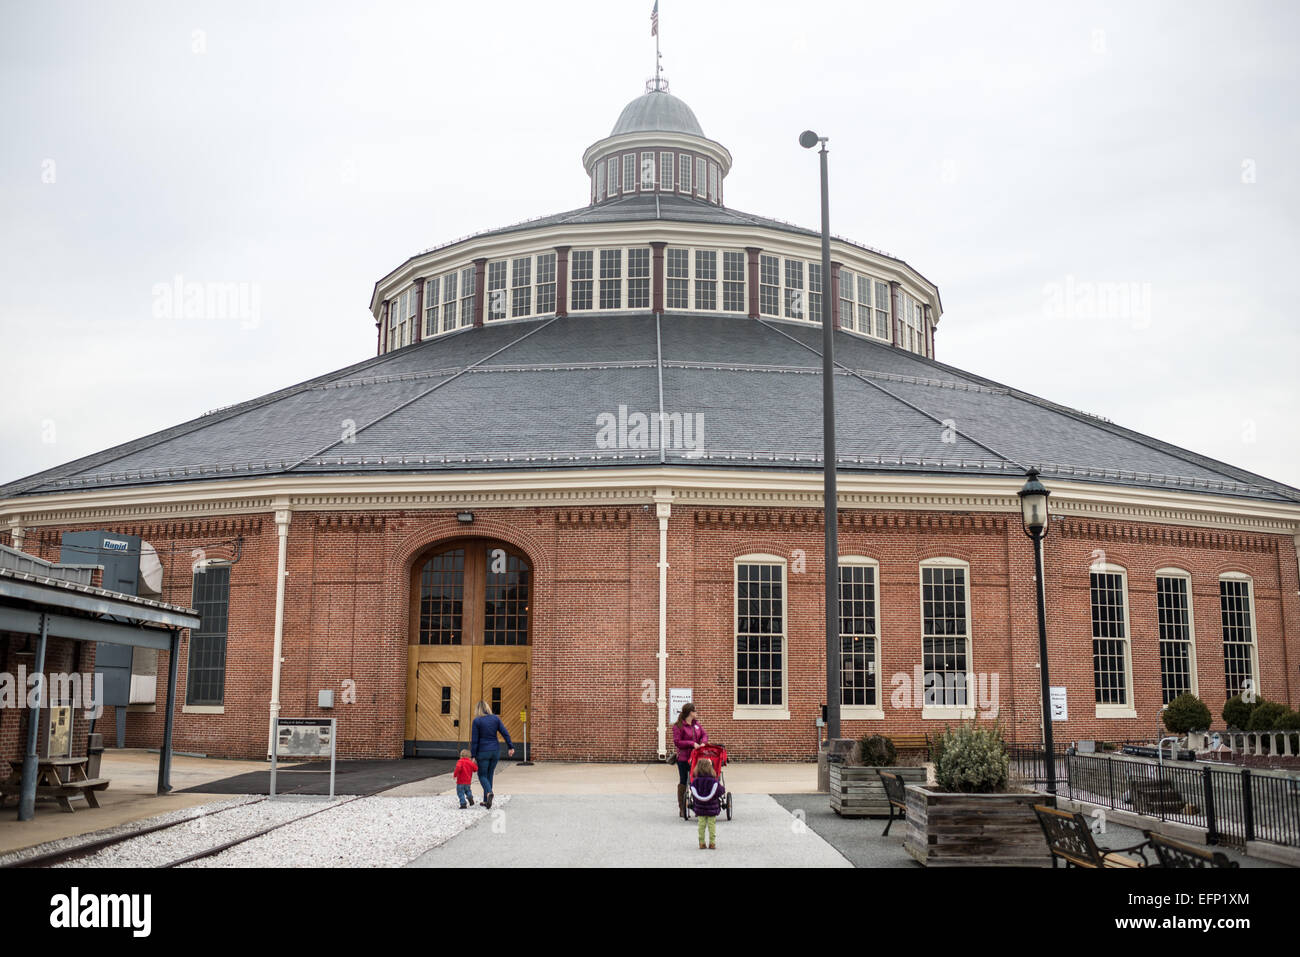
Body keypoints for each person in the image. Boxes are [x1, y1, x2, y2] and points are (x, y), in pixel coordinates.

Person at [470, 700, 514, 809]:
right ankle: (486, 801)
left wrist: (473, 755)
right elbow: (504, 732)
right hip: (495, 751)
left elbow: (475, 740)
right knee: (489, 775)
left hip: (483, 752)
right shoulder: (495, 718)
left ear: (478, 709)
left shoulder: (477, 721)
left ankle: (489, 793)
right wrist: (510, 746)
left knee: (482, 775)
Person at [671, 702, 706, 818]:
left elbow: (704, 735)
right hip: (683, 758)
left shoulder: (697, 725)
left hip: (696, 758)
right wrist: (692, 744)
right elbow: (677, 742)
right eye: (695, 711)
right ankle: (682, 808)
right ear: (690, 713)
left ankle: (697, 806)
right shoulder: (678, 726)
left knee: (696, 781)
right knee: (683, 780)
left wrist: (703, 742)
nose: (696, 713)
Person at [690, 757, 725, 850]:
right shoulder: (714, 782)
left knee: (701, 825)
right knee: (711, 825)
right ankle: (712, 843)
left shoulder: (695, 782)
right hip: (712, 808)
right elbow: (721, 791)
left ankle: (701, 843)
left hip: (700, 808)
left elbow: (692, 790)